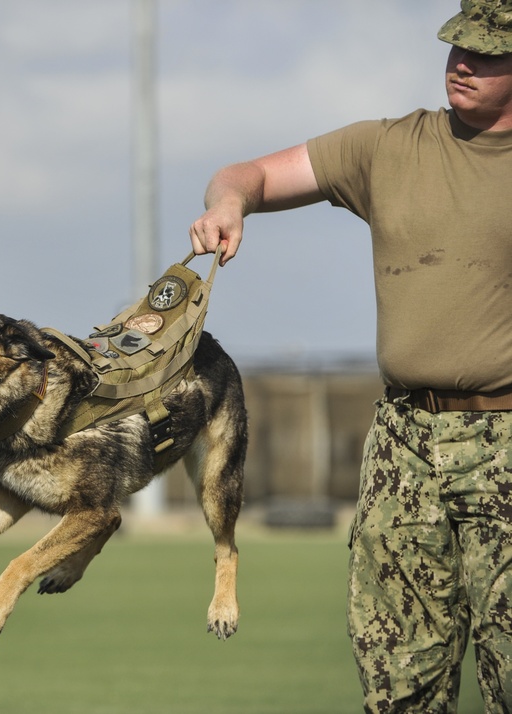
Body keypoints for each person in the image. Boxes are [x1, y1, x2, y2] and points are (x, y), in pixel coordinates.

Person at [189, 2, 512, 712]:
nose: (463, 63)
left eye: (487, 55)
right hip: (406, 445)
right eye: (458, 46)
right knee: (398, 683)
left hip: (508, 444)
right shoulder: (389, 148)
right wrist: (229, 205)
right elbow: (249, 174)